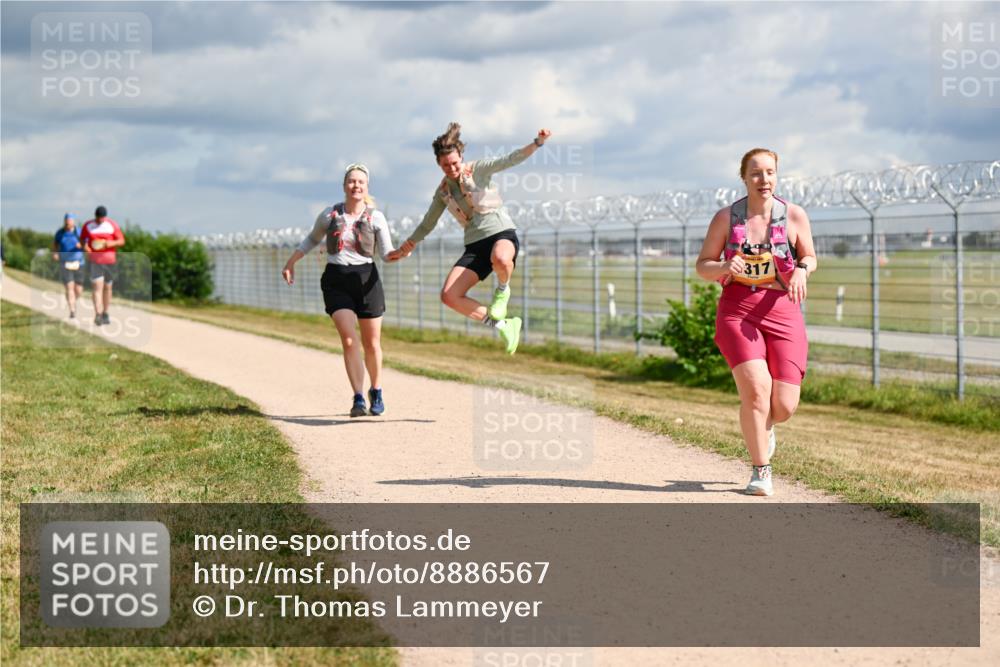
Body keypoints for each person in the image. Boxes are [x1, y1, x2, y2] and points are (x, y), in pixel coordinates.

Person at [695, 148, 817, 496]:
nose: (763, 179)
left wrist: (802, 272)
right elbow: (703, 264)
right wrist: (722, 268)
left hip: (783, 308)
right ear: (744, 178)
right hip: (738, 310)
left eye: (769, 172)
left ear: (776, 175)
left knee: (784, 405)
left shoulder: (793, 215)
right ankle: (760, 470)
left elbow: (809, 256)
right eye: (755, 173)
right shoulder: (726, 218)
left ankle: (764, 427)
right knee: (756, 391)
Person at [386, 122, 552, 355]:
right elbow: (428, 222)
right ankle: (504, 325)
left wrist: (537, 143)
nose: (451, 168)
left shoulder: (478, 169)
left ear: (461, 156)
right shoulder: (443, 191)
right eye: (445, 165)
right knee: (449, 296)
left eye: (454, 163)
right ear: (439, 164)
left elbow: (510, 159)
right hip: (475, 244)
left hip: (500, 232)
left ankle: (502, 292)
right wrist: (405, 247)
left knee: (502, 259)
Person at [282, 164, 395, 418]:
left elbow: (386, 254)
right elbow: (312, 239)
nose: (356, 186)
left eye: (361, 182)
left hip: (367, 280)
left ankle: (375, 390)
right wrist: (291, 262)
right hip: (337, 279)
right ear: (345, 186)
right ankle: (357, 397)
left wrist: (400, 253)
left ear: (367, 188)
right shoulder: (329, 214)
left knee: (372, 342)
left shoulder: (375, 217)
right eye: (352, 181)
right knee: (348, 339)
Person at [80, 206, 126, 327]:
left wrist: (111, 243)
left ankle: (105, 312)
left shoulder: (112, 225)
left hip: (110, 261)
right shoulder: (88, 225)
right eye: (98, 218)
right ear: (95, 216)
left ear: (105, 216)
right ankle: (98, 314)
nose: (100, 220)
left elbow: (121, 241)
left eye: (102, 218)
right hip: (95, 261)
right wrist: (86, 247)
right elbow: (83, 241)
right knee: (97, 287)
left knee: (107, 287)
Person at [52, 213, 85, 318]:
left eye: (69, 221)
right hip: (65, 263)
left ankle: (73, 301)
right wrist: (55, 253)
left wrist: (82, 245)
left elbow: (87, 246)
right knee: (69, 287)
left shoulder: (79, 232)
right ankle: (72, 310)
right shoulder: (60, 233)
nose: (67, 224)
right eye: (66, 221)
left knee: (78, 290)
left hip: (78, 263)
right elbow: (55, 245)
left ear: (73, 222)